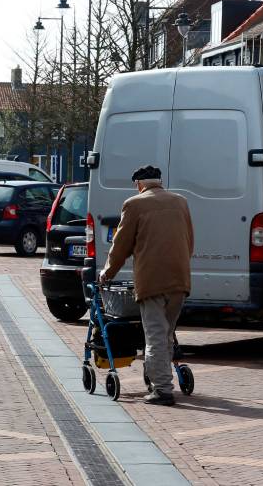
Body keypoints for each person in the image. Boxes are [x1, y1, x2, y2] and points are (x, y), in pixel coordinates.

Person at [99, 165, 193, 406]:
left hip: (152, 281)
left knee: (154, 336)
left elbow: (120, 247)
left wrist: (107, 273)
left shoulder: (134, 205)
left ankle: (162, 389)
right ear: (159, 182)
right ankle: (158, 379)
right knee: (167, 334)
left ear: (139, 185)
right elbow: (189, 242)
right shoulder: (180, 202)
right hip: (179, 280)